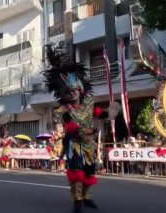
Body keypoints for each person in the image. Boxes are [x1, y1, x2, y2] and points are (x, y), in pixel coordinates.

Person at [43, 44, 108, 213]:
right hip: (75, 146)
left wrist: (108, 113)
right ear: (65, 93)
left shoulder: (88, 103)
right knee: (77, 172)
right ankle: (77, 200)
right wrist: (77, 131)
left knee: (89, 172)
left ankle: (87, 197)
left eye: (75, 90)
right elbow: (66, 126)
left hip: (89, 145)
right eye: (69, 91)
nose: (72, 93)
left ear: (80, 90)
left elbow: (98, 114)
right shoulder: (64, 109)